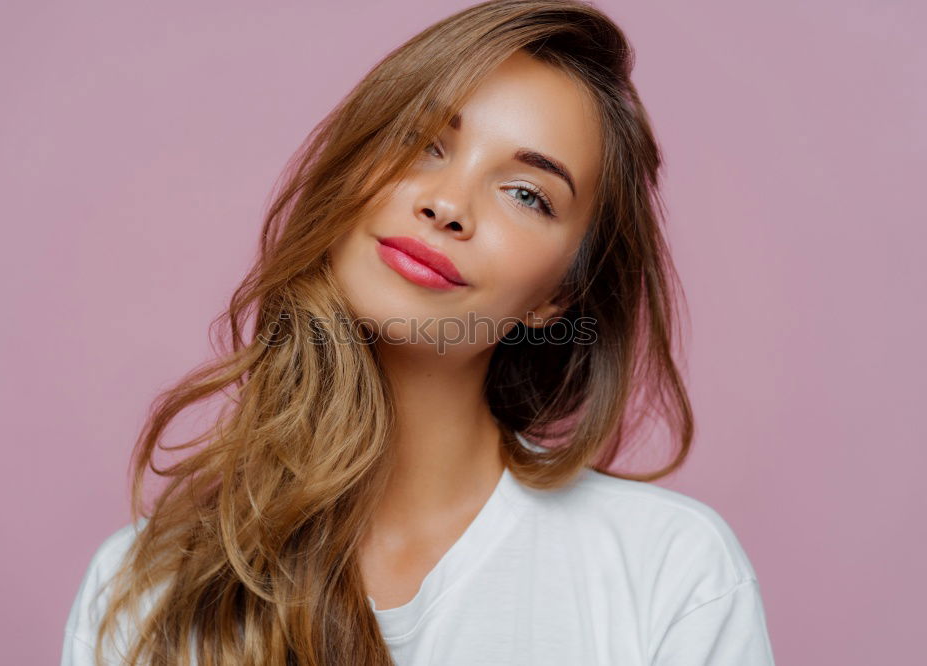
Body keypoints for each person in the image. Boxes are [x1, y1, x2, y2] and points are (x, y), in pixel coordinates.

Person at [61, 0, 776, 664]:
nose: (447, 205)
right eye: (423, 144)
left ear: (557, 295)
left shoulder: (674, 574)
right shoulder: (140, 589)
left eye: (527, 194)